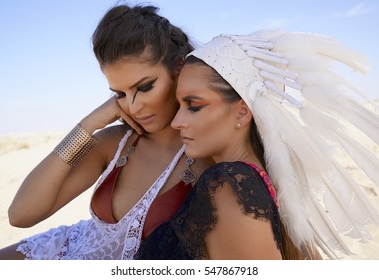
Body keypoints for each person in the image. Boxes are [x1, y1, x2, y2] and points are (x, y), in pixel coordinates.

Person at [0, 4, 212, 260]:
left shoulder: (210, 150)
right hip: (68, 249)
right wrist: (89, 124)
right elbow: (21, 215)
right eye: (120, 94)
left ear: (178, 66)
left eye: (145, 86)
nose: (133, 106)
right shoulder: (116, 143)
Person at [134, 30, 379, 259]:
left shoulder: (228, 186)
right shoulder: (255, 185)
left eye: (194, 106)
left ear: (242, 112)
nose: (177, 122)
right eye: (179, 106)